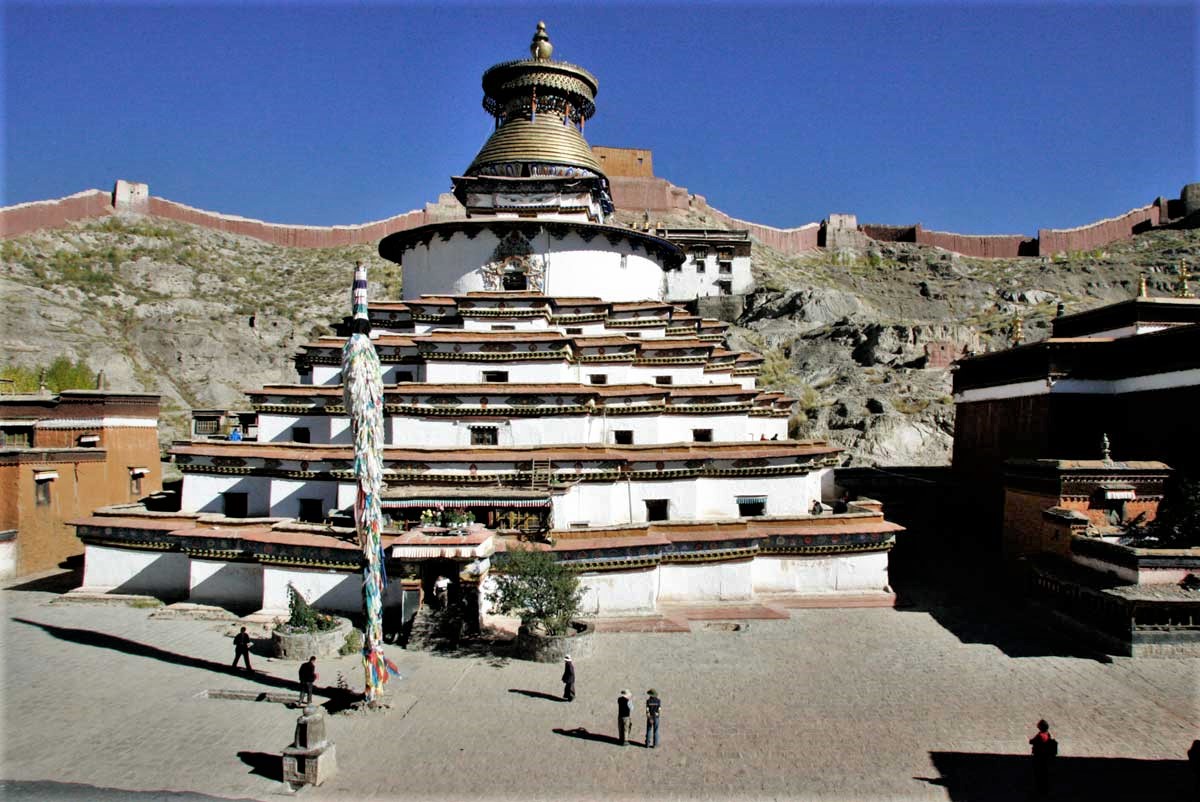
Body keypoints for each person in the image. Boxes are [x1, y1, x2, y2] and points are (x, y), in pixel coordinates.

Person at [1029, 719, 1057, 795]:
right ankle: (1044, 790)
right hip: (1045, 757)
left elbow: (1032, 741)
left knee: (1039, 774)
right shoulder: (1047, 734)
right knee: (1044, 774)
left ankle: (1040, 790)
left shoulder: (1041, 735)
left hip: (1040, 757)